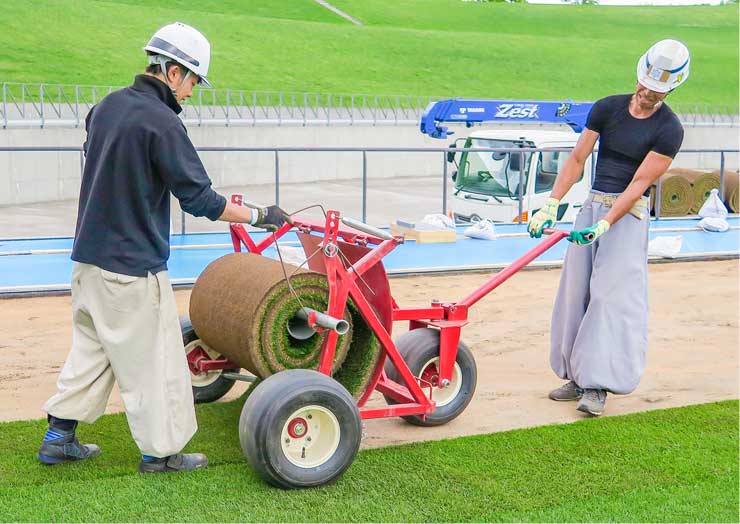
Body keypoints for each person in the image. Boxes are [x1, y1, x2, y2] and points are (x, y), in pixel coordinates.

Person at [38, 22, 287, 473]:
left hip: (88, 260)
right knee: (156, 361)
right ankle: (162, 454)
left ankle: (58, 438)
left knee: (92, 350)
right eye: (193, 81)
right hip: (132, 268)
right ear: (173, 72)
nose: (192, 93)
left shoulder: (105, 107)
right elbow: (201, 200)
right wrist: (260, 215)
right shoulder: (163, 124)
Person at [528, 39, 689, 416]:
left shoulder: (670, 129)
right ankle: (577, 375)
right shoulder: (607, 107)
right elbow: (578, 157)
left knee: (609, 298)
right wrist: (552, 202)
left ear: (671, 88)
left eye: (657, 90)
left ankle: (599, 385)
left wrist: (604, 225)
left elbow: (637, 184)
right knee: (575, 291)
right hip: (593, 204)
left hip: (627, 215)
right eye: (645, 84)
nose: (647, 92)